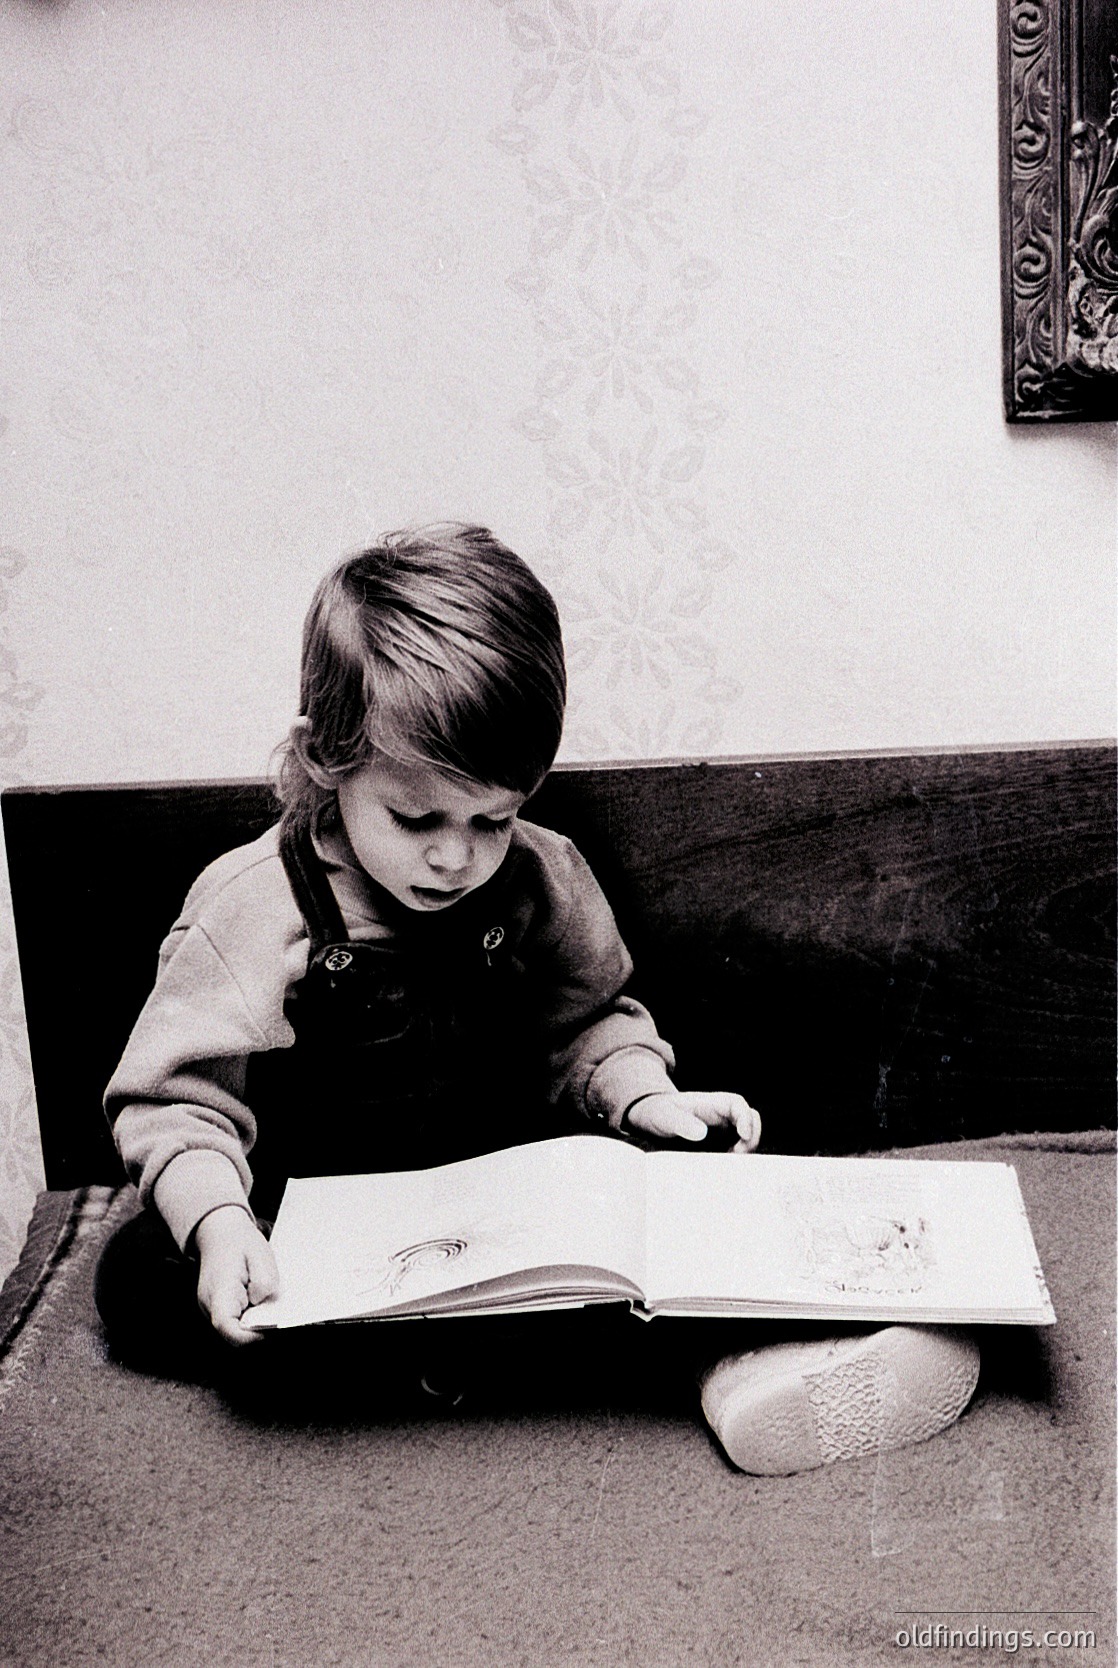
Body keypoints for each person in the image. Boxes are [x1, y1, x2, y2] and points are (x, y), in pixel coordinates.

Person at [95, 523, 979, 1473]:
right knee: (142, 1280)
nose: (455, 856)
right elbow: (176, 1103)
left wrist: (646, 1098)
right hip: (326, 1235)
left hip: (507, 1214)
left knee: (681, 1187)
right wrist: (220, 1222)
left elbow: (590, 1023)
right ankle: (554, 1363)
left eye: (493, 818)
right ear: (325, 759)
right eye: (416, 816)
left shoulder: (541, 877)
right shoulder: (257, 907)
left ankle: (777, 1350)